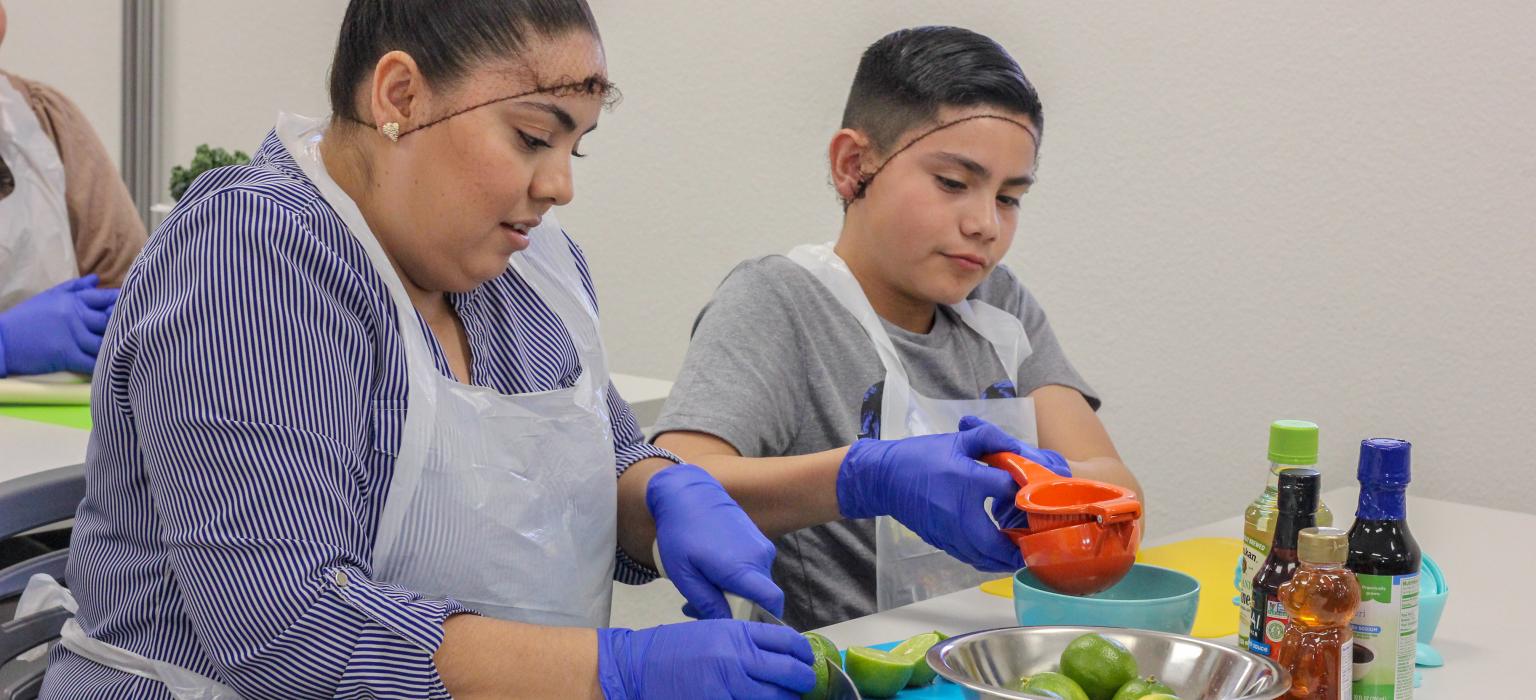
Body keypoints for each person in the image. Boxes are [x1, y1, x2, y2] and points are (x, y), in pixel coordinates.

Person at [33, 1, 813, 698]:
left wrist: (662, 497)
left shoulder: (530, 269)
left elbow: (600, 456)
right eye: (532, 136)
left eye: (574, 149)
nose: (558, 187)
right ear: (400, 97)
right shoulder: (254, 256)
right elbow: (286, 632)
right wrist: (618, 671)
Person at [652, 26, 1143, 630]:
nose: (985, 224)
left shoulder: (1000, 304)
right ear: (854, 165)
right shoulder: (781, 302)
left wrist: (1036, 480)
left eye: (1010, 197)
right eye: (954, 183)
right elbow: (678, 481)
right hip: (846, 672)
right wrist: (865, 478)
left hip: (991, 656)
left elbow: (1113, 479)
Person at [0, 0, 143, 378]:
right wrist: (4, 345)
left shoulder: (44, 123)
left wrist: (126, 318)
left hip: (54, 428)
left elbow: (126, 278)